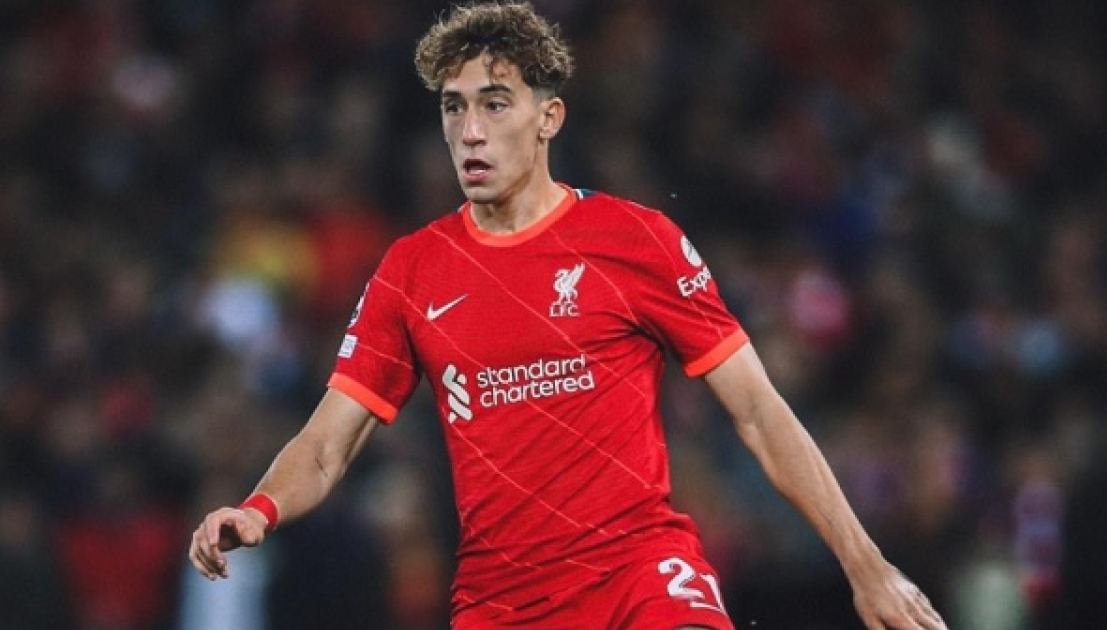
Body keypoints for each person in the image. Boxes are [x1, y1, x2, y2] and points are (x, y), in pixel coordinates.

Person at [188, 3, 949, 629]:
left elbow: (756, 409)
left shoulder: (635, 240)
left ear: (548, 116)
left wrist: (866, 565)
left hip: (639, 575)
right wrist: (259, 509)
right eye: (454, 108)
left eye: (495, 103)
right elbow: (327, 445)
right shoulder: (413, 270)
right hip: (502, 605)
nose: (470, 130)